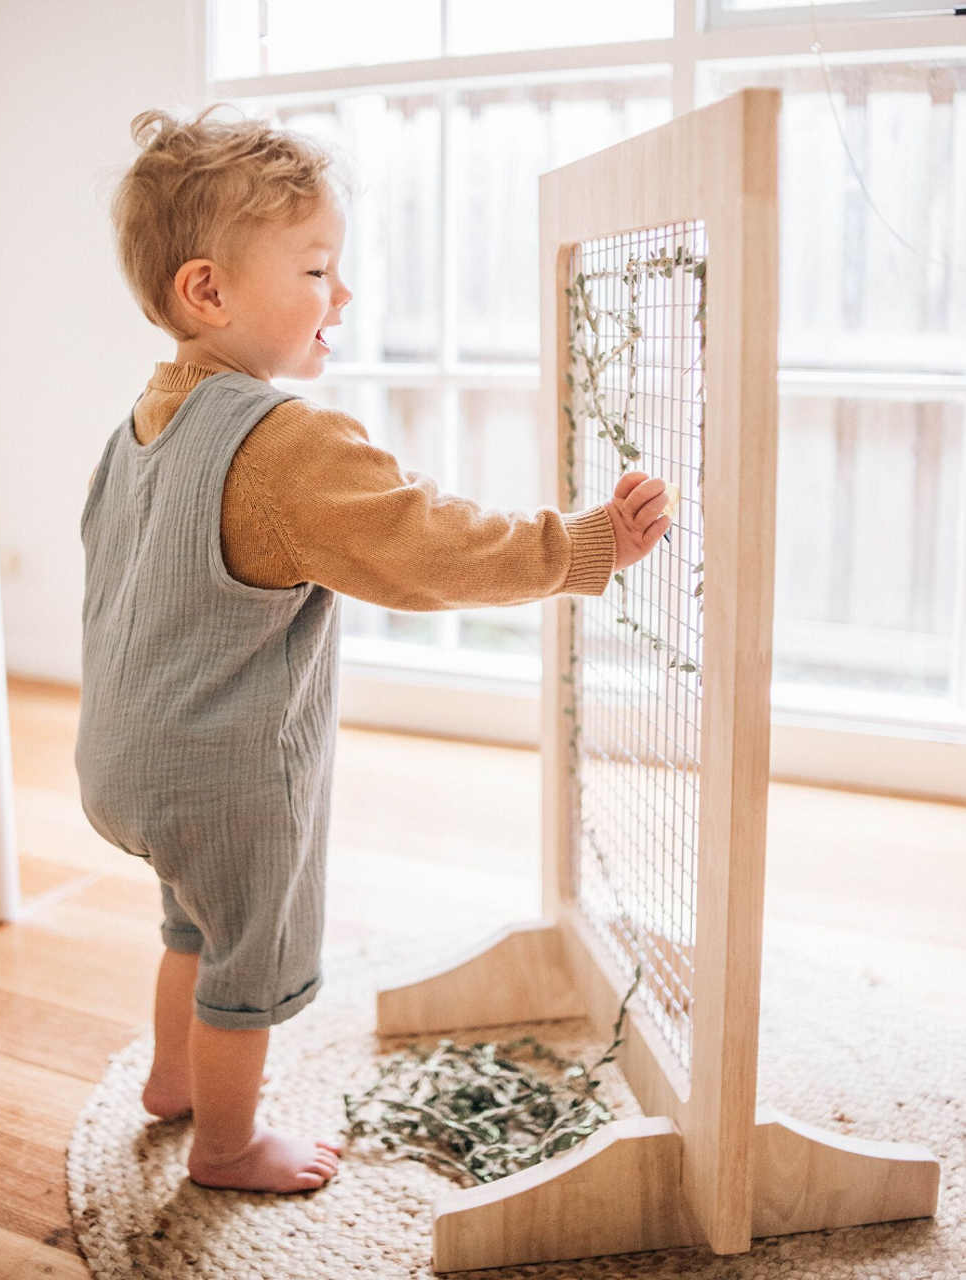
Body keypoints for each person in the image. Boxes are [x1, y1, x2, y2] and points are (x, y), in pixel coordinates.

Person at [75, 102, 673, 1196]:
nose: (339, 294)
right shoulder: (283, 440)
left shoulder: (140, 427)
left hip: (122, 759)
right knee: (247, 960)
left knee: (189, 922)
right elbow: (427, 545)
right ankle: (224, 1144)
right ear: (205, 292)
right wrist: (576, 545)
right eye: (315, 269)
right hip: (227, 776)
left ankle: (171, 1078)